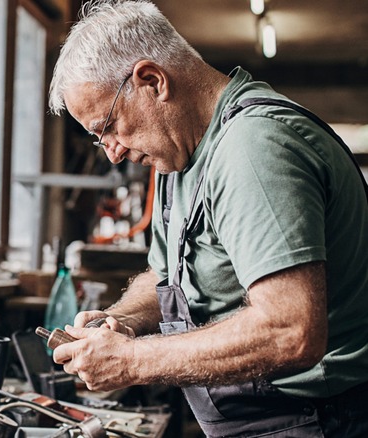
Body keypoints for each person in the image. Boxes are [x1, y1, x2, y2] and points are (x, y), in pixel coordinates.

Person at [47, 1, 368, 436]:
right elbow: (167, 276)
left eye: (109, 127)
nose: (113, 151)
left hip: (315, 420)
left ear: (152, 81)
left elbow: (290, 331)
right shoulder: (179, 157)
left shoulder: (253, 149)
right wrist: (120, 321)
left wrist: (130, 360)